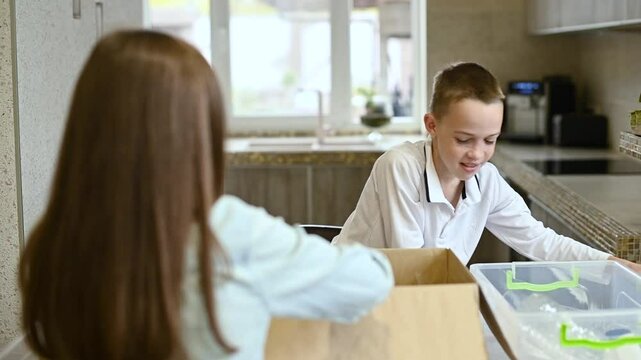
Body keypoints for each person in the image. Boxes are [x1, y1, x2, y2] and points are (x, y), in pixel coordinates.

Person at [19, 30, 393, 360]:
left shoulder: (54, 242)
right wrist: (291, 244)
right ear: (197, 134)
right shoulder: (231, 232)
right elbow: (372, 280)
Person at [333, 61, 641, 271]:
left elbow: (538, 239)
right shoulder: (400, 167)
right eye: (464, 140)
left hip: (415, 298)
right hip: (347, 301)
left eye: (490, 140)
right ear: (432, 125)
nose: (477, 155)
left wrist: (614, 264)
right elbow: (413, 266)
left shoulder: (485, 181)